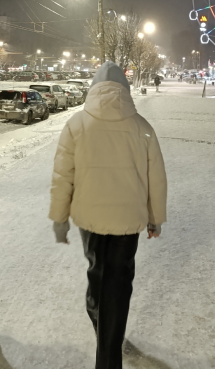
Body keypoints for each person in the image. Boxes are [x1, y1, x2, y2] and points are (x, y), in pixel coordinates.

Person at [49, 61, 168, 369]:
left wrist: (60, 218)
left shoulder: (76, 125)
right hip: (128, 222)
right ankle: (110, 348)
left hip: (88, 218)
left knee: (97, 270)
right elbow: (156, 178)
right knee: (118, 280)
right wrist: (154, 218)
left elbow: (63, 176)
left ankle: (99, 320)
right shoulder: (142, 128)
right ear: (125, 90)